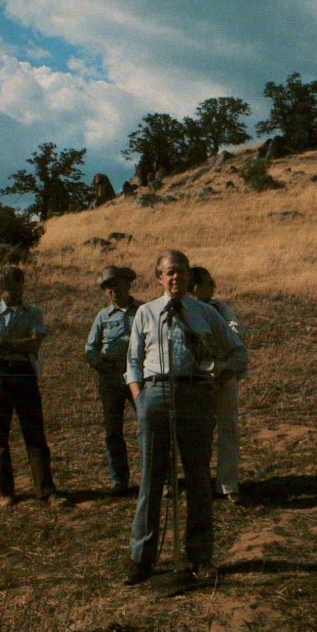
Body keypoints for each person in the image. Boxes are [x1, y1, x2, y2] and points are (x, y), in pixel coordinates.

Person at [123, 249, 248, 586]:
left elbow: (238, 352)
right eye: (169, 272)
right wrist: (141, 398)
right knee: (152, 478)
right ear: (159, 277)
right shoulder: (146, 314)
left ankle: (200, 557)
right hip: (155, 395)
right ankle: (142, 559)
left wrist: (218, 376)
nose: (176, 277)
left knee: (197, 478)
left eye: (181, 272)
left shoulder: (205, 313)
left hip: (196, 397)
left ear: (190, 276)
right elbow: (132, 363)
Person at [0, 266, 66, 508]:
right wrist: (19, 344)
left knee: (35, 433)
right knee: (0, 435)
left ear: (23, 284)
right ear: (0, 288)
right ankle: (6, 492)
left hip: (25, 374)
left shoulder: (34, 312)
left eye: (18, 284)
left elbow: (35, 344)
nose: (14, 290)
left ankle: (46, 490)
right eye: (8, 286)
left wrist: (4, 342)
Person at [188, 266, 245, 504]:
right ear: (197, 287)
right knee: (197, 433)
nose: (214, 287)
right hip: (197, 377)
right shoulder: (186, 310)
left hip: (225, 371)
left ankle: (227, 484)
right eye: (210, 283)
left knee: (228, 429)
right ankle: (198, 484)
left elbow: (235, 329)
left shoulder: (219, 306)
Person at [85, 265, 143, 495]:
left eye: (117, 285)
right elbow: (91, 347)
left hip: (139, 375)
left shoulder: (143, 310)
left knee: (148, 425)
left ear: (128, 285)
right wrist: (100, 365)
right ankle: (119, 479)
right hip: (111, 376)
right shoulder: (102, 316)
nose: (113, 291)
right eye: (108, 288)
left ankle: (156, 476)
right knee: (113, 429)